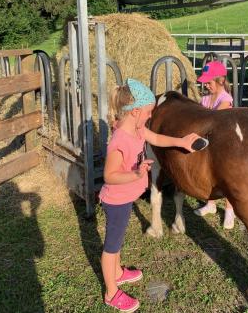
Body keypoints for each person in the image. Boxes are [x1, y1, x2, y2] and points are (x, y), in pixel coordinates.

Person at [99, 78, 201, 312]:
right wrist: (135, 174)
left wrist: (181, 141)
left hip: (125, 198)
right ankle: (111, 292)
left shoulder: (138, 129)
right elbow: (109, 175)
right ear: (135, 111)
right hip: (116, 200)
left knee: (118, 238)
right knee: (111, 247)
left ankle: (118, 272)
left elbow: (156, 139)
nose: (150, 116)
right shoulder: (120, 141)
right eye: (148, 112)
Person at [193, 61, 236, 230]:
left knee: (226, 175)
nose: (206, 85)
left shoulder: (226, 99)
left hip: (224, 144)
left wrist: (201, 117)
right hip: (208, 142)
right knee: (209, 174)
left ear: (220, 81)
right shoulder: (204, 98)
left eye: (209, 82)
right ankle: (210, 204)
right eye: (204, 82)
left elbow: (213, 119)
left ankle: (229, 210)